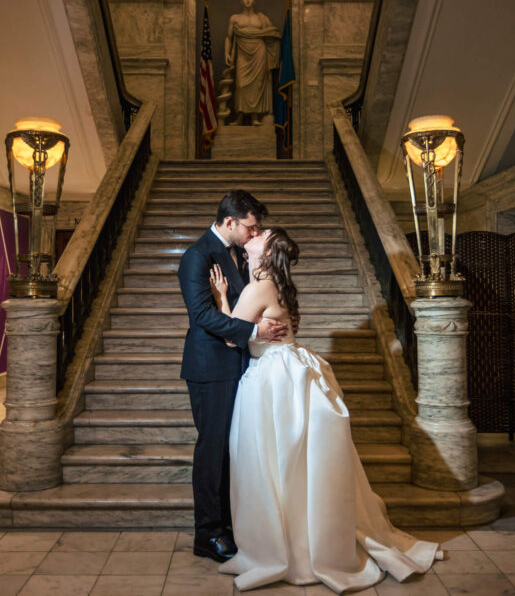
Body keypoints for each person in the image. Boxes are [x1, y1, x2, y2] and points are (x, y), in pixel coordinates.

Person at [209, 227, 444, 593]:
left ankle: (287, 547)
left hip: (273, 378)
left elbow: (229, 336)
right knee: (297, 463)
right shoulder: (279, 285)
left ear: (267, 253)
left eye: (261, 234)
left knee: (273, 461)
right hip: (293, 368)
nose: (254, 233)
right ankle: (307, 537)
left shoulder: (258, 288)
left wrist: (222, 297)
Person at [178, 190, 288, 563]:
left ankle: (228, 524)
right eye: (250, 227)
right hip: (210, 367)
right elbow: (202, 316)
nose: (254, 234)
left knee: (232, 449)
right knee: (212, 449)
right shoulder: (197, 256)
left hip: (237, 363)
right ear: (230, 221)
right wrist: (256, 332)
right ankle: (207, 534)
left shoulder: (237, 254)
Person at [224, 0, 280, 125]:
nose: (248, 0)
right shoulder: (235, 18)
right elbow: (229, 37)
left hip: (259, 53)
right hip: (243, 53)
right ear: (241, 0)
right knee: (241, 85)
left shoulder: (261, 18)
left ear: (254, 1)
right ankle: (239, 117)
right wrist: (226, 52)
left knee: (258, 85)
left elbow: (272, 33)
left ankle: (255, 117)